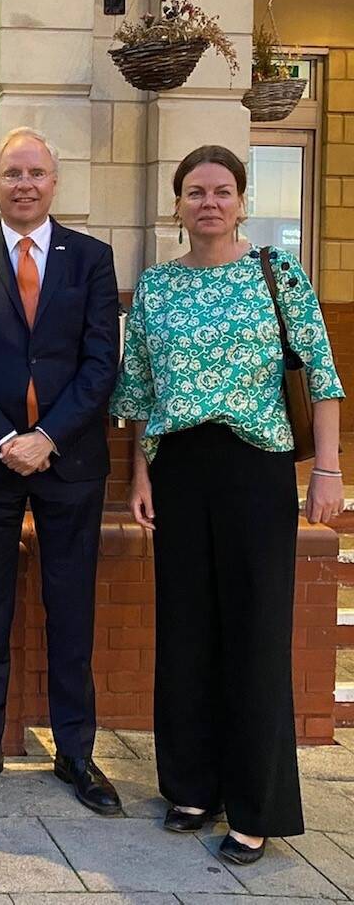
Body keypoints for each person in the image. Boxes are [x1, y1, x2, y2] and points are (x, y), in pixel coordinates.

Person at [111, 144, 344, 865]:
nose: (208, 202)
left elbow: (324, 378)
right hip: (179, 467)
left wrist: (328, 470)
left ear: (241, 201)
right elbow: (141, 393)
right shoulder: (155, 288)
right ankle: (191, 786)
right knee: (185, 628)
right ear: (177, 205)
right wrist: (140, 475)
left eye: (221, 191)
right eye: (194, 192)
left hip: (255, 467)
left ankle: (256, 806)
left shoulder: (279, 275)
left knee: (254, 631)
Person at [0, 126, 122, 815]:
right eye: (12, 173)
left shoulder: (92, 259)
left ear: (54, 182)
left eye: (35, 173)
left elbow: (102, 362)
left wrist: (46, 436)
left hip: (69, 461)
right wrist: (7, 437)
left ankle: (76, 749)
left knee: (70, 605)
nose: (23, 184)